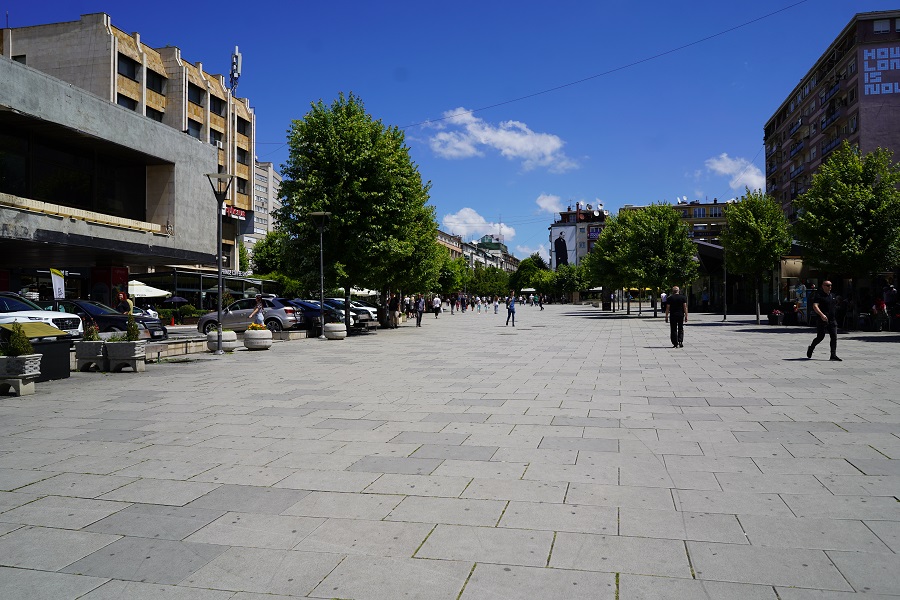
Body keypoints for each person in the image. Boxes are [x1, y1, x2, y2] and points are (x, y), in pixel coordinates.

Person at [807, 280, 840, 361]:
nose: (830, 287)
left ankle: (833, 355)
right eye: (828, 285)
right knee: (820, 337)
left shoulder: (832, 295)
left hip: (832, 320)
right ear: (823, 286)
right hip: (822, 319)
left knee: (834, 337)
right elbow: (815, 306)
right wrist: (821, 315)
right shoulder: (819, 295)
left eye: (831, 285)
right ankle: (811, 347)